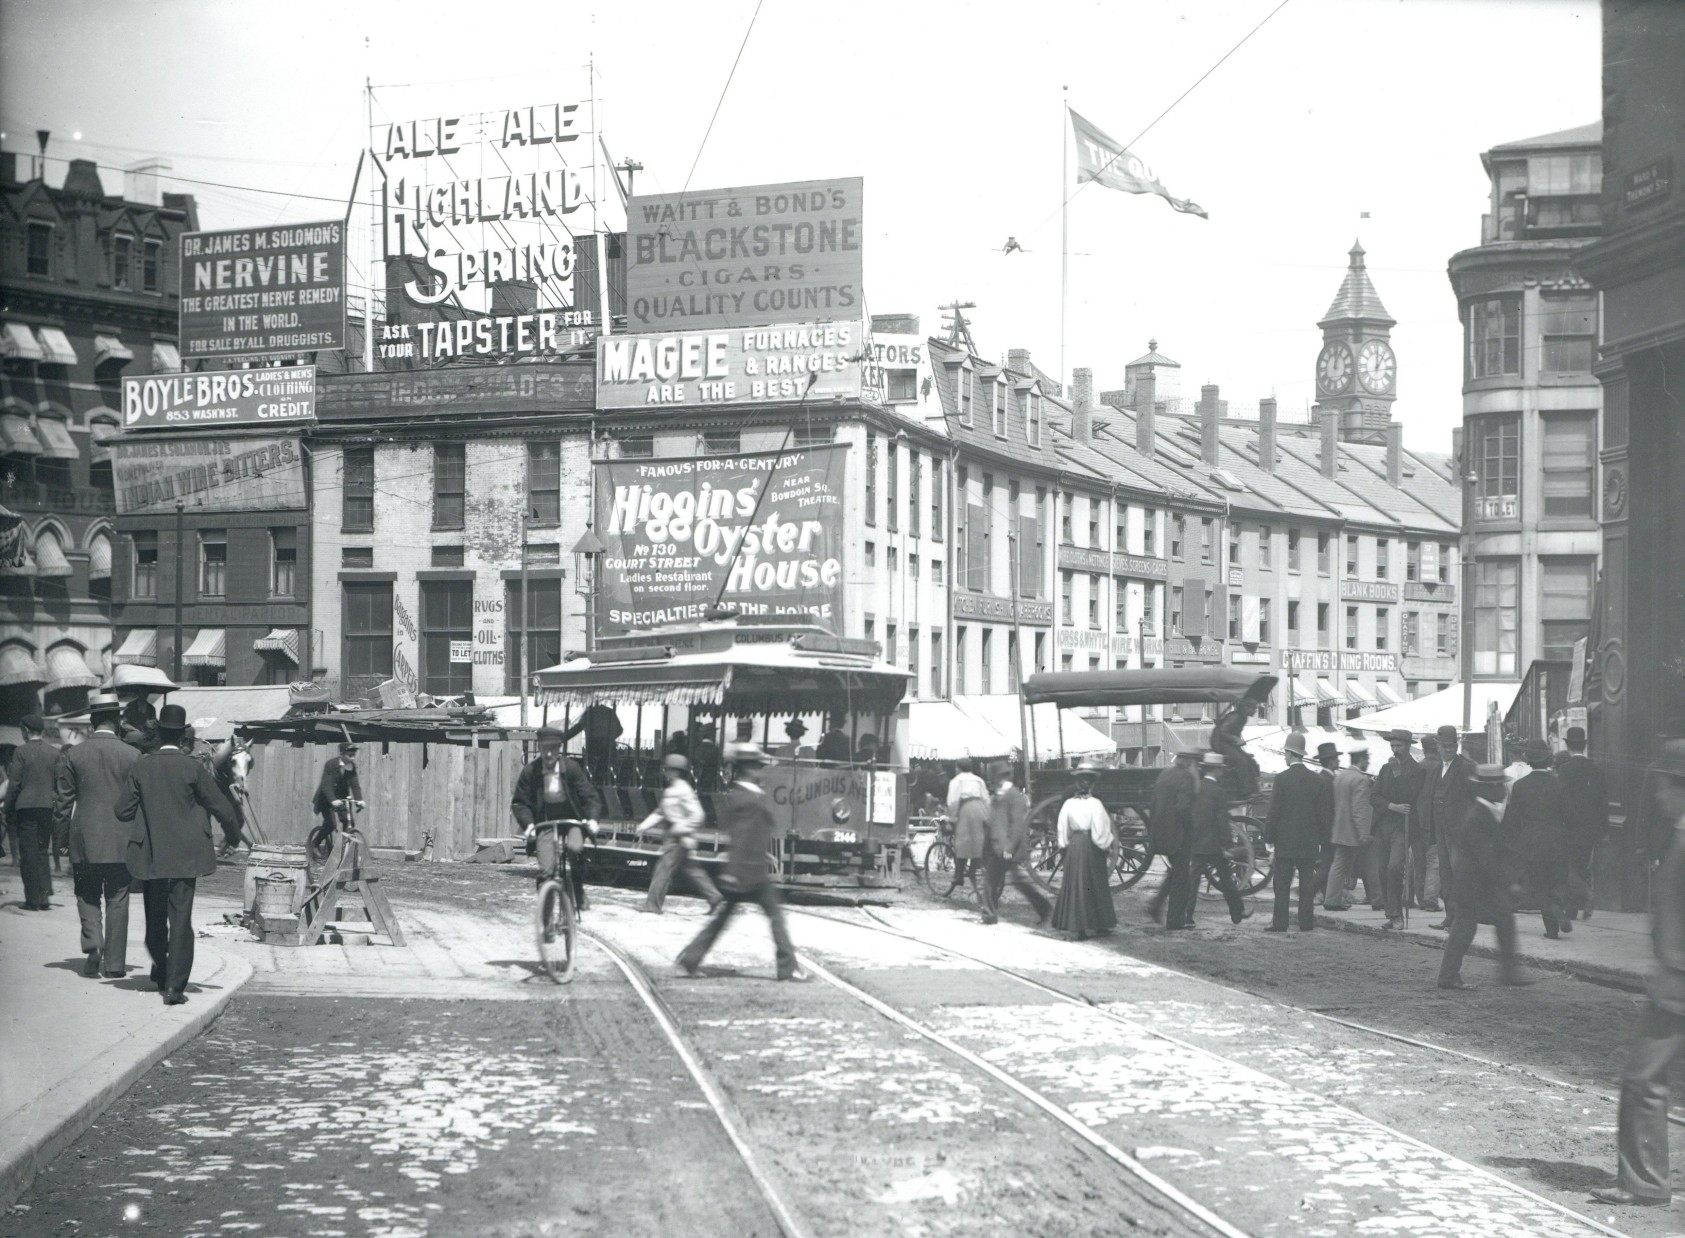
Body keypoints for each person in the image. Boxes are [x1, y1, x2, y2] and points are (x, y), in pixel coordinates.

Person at [1593, 740, 1685, 1208]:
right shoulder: (1679, 832)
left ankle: (1645, 1183)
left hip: (1679, 979)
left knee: (1643, 1079)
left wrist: (1671, 968)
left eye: (1663, 786)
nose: (1658, 796)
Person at [115, 703, 239, 1005]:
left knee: (155, 920)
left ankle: (161, 968)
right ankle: (174, 987)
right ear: (183, 735)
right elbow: (222, 808)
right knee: (181, 921)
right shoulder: (193, 768)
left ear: (158, 733)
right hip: (186, 857)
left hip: (151, 856)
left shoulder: (142, 766)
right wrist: (232, 837)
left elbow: (122, 811)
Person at [677, 742, 807, 982]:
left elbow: (750, 834)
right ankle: (788, 968)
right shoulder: (746, 798)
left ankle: (689, 960)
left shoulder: (745, 794)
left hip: (747, 870)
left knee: (723, 920)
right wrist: (733, 872)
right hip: (748, 874)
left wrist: (761, 855)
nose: (759, 770)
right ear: (748, 768)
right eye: (757, 766)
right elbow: (741, 837)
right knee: (775, 916)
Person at [54, 694, 140, 977]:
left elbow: (63, 804)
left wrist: (60, 844)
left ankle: (93, 944)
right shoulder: (133, 755)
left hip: (84, 840)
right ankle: (115, 965)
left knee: (86, 893)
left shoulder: (73, 755)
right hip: (121, 840)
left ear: (91, 722)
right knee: (119, 898)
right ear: (117, 721)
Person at [1436, 763, 1528, 991]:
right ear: (1487, 788)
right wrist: (1508, 883)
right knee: (1469, 928)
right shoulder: (1478, 816)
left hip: (1474, 885)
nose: (1504, 790)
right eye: (1500, 786)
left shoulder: (1484, 812)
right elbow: (1486, 858)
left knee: (1485, 924)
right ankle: (1450, 976)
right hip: (1474, 886)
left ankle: (1505, 973)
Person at [512, 725, 603, 915]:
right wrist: (529, 826)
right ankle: (545, 921)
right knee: (546, 872)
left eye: (553, 748)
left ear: (559, 748)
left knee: (576, 849)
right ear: (539, 747)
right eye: (545, 748)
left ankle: (577, 890)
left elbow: (589, 796)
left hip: (572, 821)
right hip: (545, 822)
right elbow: (520, 803)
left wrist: (592, 820)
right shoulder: (531, 771)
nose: (549, 753)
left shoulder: (571, 768)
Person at [638, 754, 721, 915]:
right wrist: (644, 826)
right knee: (692, 870)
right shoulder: (673, 789)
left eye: (668, 769)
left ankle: (652, 905)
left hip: (678, 838)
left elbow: (698, 815)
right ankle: (714, 897)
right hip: (678, 837)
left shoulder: (683, 790)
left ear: (675, 771)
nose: (665, 772)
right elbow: (661, 812)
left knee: (663, 870)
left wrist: (680, 827)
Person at [1507, 739, 1573, 939]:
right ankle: (1559, 906)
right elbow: (1568, 815)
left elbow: (1513, 820)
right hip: (1557, 840)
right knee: (1558, 880)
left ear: (1528, 759)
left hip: (1531, 841)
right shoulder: (1559, 784)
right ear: (1549, 759)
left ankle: (1551, 929)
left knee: (1541, 884)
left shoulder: (1520, 786)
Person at [1265, 733, 1330, 932]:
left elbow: (1273, 812)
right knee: (1307, 885)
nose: (1285, 756)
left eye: (1286, 753)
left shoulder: (1281, 779)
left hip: (1285, 841)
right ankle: (1306, 922)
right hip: (1309, 842)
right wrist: (1322, 841)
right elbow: (1323, 815)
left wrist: (1269, 838)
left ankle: (1280, 923)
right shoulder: (1317, 780)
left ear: (1290, 753)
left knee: (1282, 884)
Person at [1050, 759, 1117, 940]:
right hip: (1091, 846)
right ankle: (1100, 924)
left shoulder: (1068, 804)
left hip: (1075, 845)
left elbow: (1062, 828)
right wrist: (1105, 845)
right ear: (1092, 784)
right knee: (1095, 883)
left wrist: (1065, 845)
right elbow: (1100, 829)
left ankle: (1077, 927)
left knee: (1076, 885)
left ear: (1077, 784)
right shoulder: (1096, 804)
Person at [1418, 724, 1476, 931]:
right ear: (1437, 746)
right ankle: (1450, 917)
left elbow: (1476, 799)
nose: (1448, 749)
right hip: (1440, 830)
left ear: (1457, 745)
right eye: (1444, 746)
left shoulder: (1467, 767)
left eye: (1451, 745)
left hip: (1459, 832)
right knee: (1446, 874)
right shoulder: (1435, 769)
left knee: (1460, 874)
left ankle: (1461, 920)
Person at [984, 763, 1050, 925]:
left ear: (1004, 777)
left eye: (997, 777)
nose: (995, 781)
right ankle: (989, 914)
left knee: (1015, 882)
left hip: (1008, 849)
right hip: (997, 846)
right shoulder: (998, 796)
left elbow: (1017, 826)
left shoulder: (1015, 797)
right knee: (992, 882)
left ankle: (1044, 908)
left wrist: (1009, 848)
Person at [1371, 729, 1424, 930]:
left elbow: (1409, 796)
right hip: (1382, 825)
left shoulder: (1418, 770)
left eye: (1399, 746)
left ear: (1409, 746)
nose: (1395, 750)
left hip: (1402, 827)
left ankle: (1397, 915)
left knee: (1394, 868)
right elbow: (1373, 796)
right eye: (1392, 746)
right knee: (1382, 870)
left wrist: (1397, 773)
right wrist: (1392, 806)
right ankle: (1391, 913)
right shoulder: (1385, 769)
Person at [6, 714, 60, 910]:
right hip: (46, 807)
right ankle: (44, 898)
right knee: (42, 851)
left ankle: (32, 899)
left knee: (28, 853)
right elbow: (58, 782)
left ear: (26, 730)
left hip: (26, 808)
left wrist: (7, 807)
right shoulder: (54, 752)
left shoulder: (20, 751)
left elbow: (14, 784)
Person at [1557, 726, 1608, 920]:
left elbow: (1561, 800)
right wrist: (1603, 828)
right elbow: (1603, 801)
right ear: (1584, 746)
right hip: (1591, 828)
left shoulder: (1564, 769)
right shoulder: (1596, 769)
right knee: (1581, 866)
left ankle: (1583, 899)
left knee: (1569, 868)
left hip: (1569, 827)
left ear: (1568, 746)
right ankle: (1578, 907)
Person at [1146, 750, 1199, 929]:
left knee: (1175, 872)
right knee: (1181, 878)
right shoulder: (1186, 778)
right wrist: (1192, 826)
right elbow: (1183, 808)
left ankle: (1155, 905)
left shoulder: (1165, 774)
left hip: (1162, 833)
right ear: (1189, 762)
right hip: (1179, 835)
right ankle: (1175, 921)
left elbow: (1153, 803)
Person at [1325, 743, 1375, 911]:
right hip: (1353, 832)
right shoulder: (1360, 780)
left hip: (1339, 829)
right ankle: (1378, 899)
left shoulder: (1340, 777)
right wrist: (1364, 833)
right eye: (1367, 759)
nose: (1368, 763)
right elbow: (1359, 809)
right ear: (1361, 760)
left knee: (1339, 865)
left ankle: (1331, 899)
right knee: (1369, 864)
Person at [946, 757, 992, 916]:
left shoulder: (956, 781)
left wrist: (952, 818)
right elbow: (986, 799)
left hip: (965, 808)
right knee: (978, 840)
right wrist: (987, 816)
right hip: (980, 809)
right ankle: (973, 867)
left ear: (958, 768)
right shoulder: (979, 780)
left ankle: (959, 875)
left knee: (962, 840)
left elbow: (953, 801)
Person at [309, 742, 364, 862]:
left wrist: (359, 800)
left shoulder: (351, 767)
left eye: (354, 755)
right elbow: (326, 784)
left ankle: (344, 852)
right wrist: (333, 800)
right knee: (331, 824)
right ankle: (314, 844)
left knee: (348, 823)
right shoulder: (331, 764)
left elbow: (355, 785)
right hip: (325, 798)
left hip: (342, 798)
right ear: (341, 754)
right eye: (350, 755)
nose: (352, 757)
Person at [562, 702, 623, 784]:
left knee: (592, 770)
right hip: (609, 747)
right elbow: (619, 730)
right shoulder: (610, 712)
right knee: (607, 771)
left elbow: (577, 728)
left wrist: (562, 738)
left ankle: (594, 783)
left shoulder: (590, 713)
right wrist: (609, 738)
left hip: (594, 746)